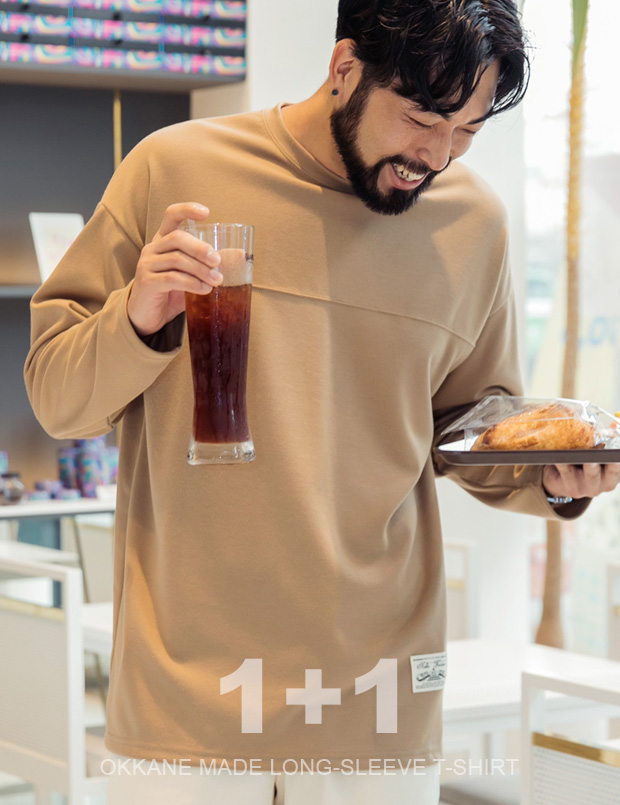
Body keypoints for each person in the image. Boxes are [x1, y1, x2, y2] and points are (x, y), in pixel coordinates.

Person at [24, 1, 620, 803]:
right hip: (190, 700)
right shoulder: (173, 171)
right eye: (421, 119)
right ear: (345, 69)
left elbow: (476, 430)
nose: (436, 155)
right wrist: (136, 315)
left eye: (467, 131)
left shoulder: (474, 225)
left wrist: (556, 479)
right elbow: (56, 398)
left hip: (377, 698)